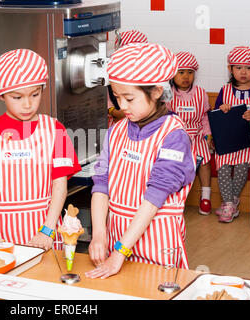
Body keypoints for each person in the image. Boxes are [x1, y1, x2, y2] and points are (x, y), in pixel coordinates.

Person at [85, 43, 196, 279]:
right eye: (116, 97)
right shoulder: (117, 131)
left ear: (156, 91)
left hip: (157, 248)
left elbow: (155, 196)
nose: (122, 106)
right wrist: (99, 234)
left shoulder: (173, 136)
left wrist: (121, 251)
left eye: (129, 98)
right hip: (116, 243)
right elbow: (101, 183)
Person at [0, 48, 81, 251]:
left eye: (34, 95)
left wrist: (47, 231)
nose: (27, 104)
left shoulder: (55, 130)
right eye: (17, 97)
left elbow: (60, 187)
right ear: (1, 95)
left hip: (45, 234)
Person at [213, 46, 250, 223]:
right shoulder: (225, 90)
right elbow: (216, 114)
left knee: (241, 168)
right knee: (222, 167)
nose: (243, 72)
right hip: (227, 138)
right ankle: (230, 203)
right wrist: (222, 109)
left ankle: (229, 204)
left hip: (249, 140)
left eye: (248, 68)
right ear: (230, 69)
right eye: (238, 67)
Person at [167, 51, 213, 215]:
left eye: (190, 72)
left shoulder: (201, 93)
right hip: (177, 137)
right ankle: (176, 200)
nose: (186, 76)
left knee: (205, 160)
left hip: (198, 135)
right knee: (175, 164)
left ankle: (206, 197)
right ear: (173, 73)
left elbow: (205, 117)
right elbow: (166, 119)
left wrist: (208, 136)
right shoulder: (168, 93)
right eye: (181, 72)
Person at [107, 30, 149, 126]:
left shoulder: (149, 74)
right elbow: (105, 98)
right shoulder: (111, 72)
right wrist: (113, 111)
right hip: (117, 121)